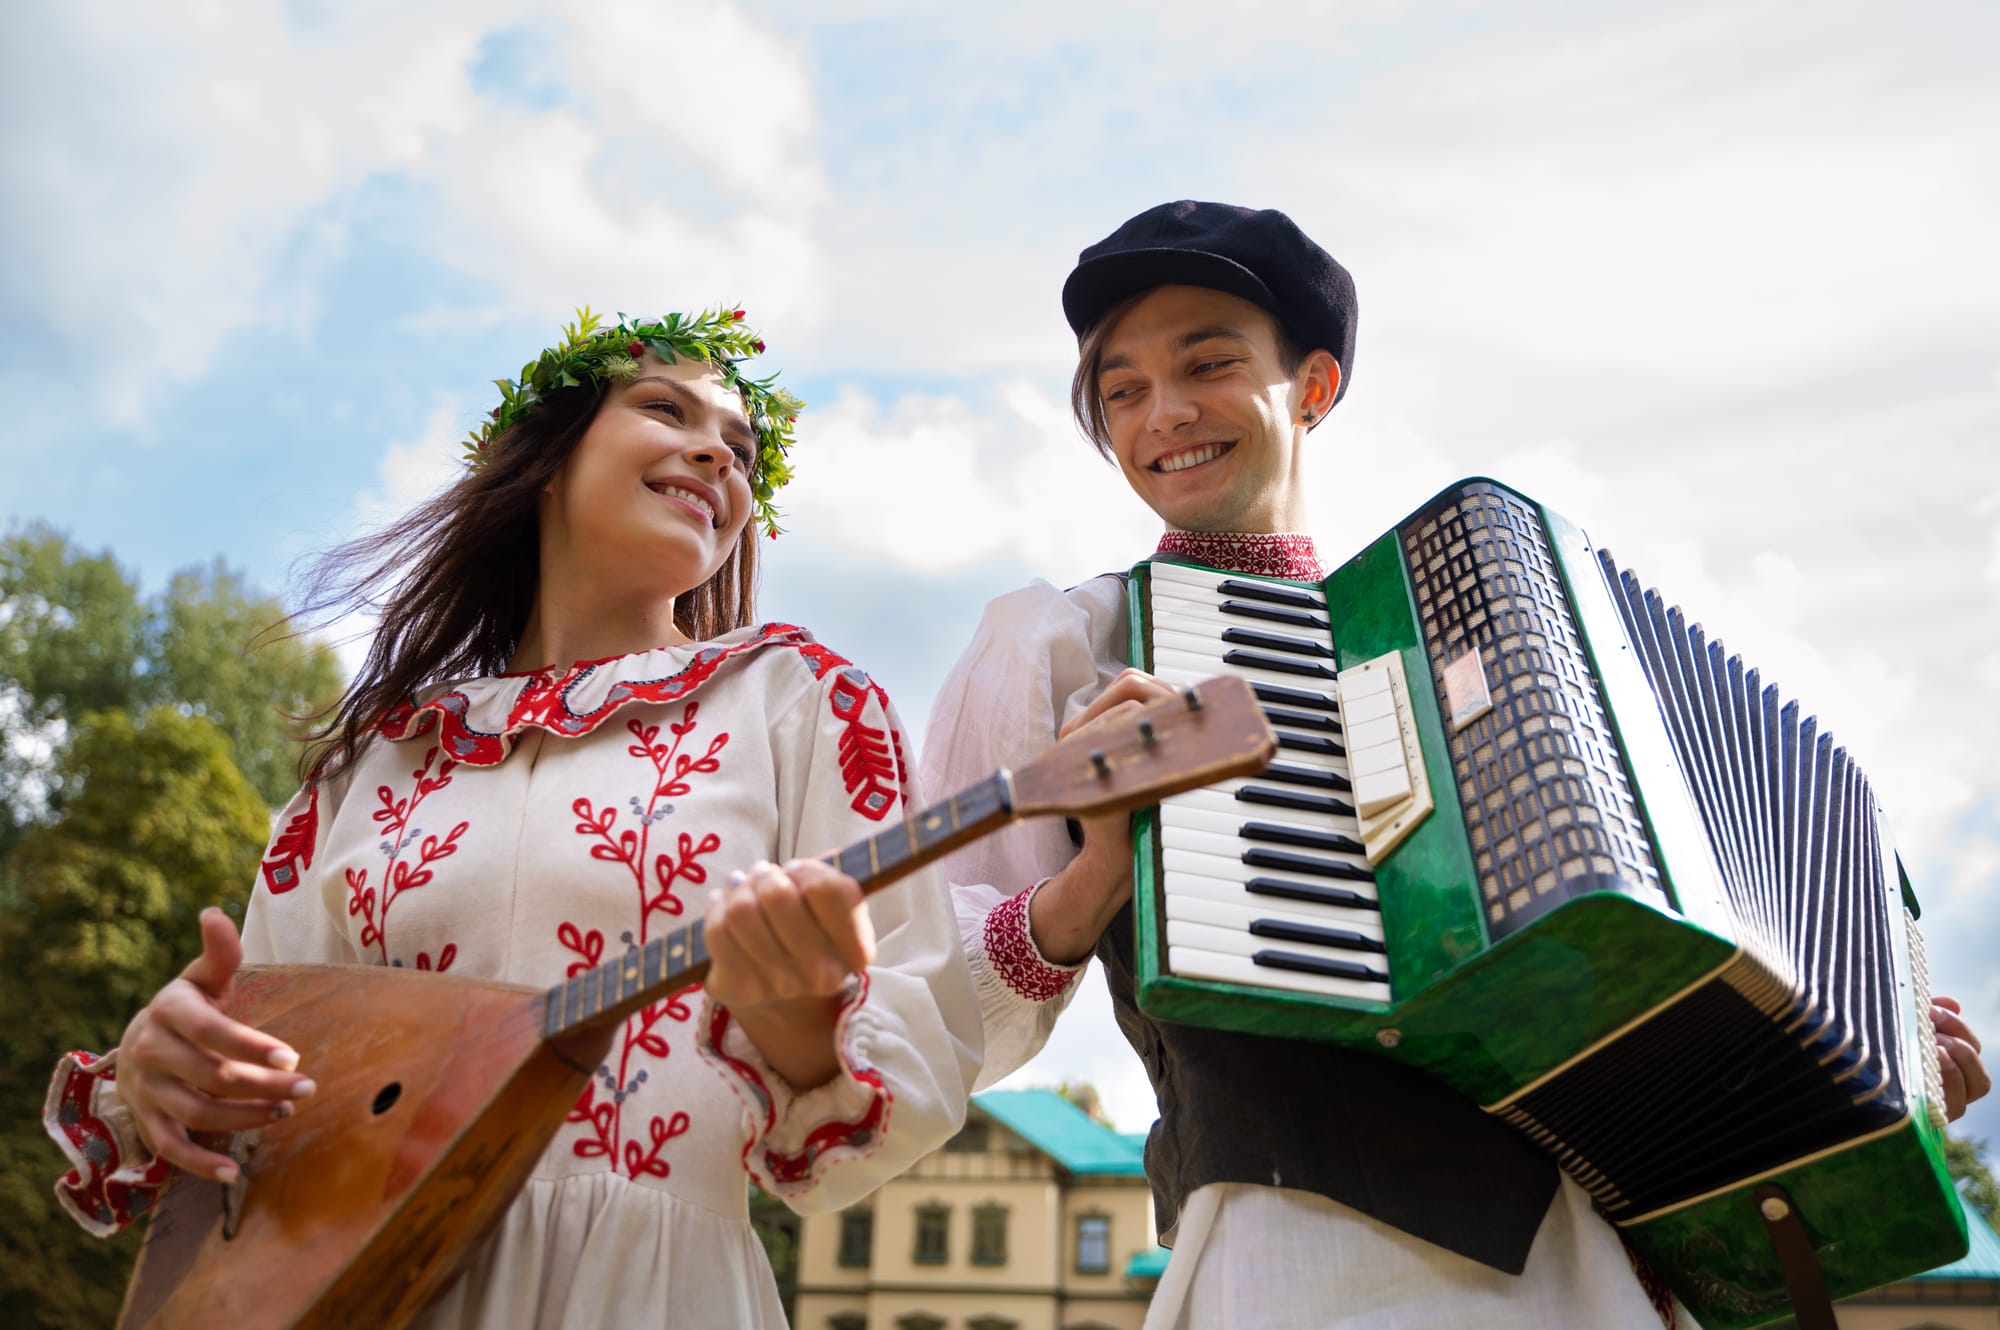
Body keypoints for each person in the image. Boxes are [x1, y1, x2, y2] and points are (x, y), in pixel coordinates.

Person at [920, 201, 1992, 1330]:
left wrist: (1879, 1086)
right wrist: (1094, 878)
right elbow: (929, 1013)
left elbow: (1632, 1000)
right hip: (1302, 1267)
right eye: (1121, 389)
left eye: (1208, 363)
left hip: (1593, 1277)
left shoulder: (1467, 648)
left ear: (1314, 387)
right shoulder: (1069, 646)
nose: (1163, 414)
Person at [41, 307, 981, 1328]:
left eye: (742, 448)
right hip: (369, 1286)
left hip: (653, 1289)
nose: (717, 450)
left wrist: (802, 1029)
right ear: (543, 461)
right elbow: (273, 1067)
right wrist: (167, 1075)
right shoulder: (371, 760)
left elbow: (916, 1028)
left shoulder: (802, 702)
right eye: (664, 407)